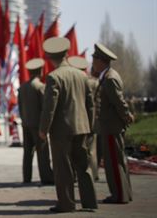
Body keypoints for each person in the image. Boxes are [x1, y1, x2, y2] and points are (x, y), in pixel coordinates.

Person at [39, 37, 97, 213]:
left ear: (50, 57)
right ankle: (89, 202)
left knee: (63, 168)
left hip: (61, 130)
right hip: (82, 127)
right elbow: (90, 103)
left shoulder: (53, 77)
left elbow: (50, 107)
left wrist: (43, 129)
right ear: (66, 54)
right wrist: (90, 126)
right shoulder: (81, 75)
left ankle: (66, 203)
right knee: (83, 166)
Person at [91, 43, 133, 204]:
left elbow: (118, 102)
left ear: (101, 61)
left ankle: (118, 195)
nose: (93, 62)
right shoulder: (107, 76)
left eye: (94, 59)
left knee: (114, 163)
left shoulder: (109, 78)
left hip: (111, 126)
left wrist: (126, 116)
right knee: (117, 161)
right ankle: (123, 193)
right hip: (110, 126)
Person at [17, 58, 54, 185]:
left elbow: (20, 107)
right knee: (43, 152)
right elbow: (45, 108)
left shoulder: (22, 87)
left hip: (26, 124)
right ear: (40, 71)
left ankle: (26, 177)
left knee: (27, 152)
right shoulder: (40, 87)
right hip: (38, 125)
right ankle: (46, 177)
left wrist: (23, 120)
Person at [68, 55, 100, 181]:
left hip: (75, 120)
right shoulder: (93, 82)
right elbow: (95, 104)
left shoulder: (72, 81)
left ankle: (74, 174)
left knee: (74, 150)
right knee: (91, 149)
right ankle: (93, 173)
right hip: (90, 119)